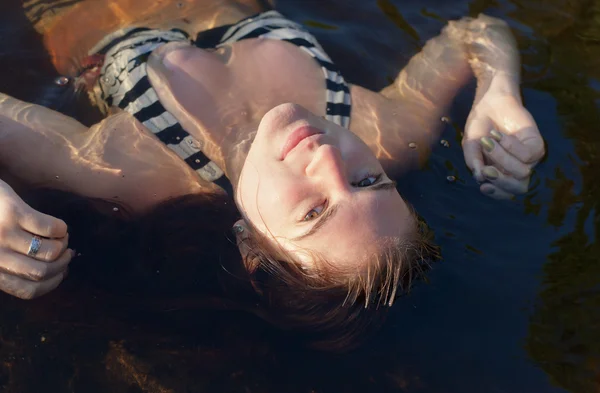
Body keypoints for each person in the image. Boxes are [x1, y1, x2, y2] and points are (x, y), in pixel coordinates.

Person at [0, 2, 545, 349]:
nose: (329, 161)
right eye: (367, 182)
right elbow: (474, 30)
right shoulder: (385, 130)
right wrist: (498, 90)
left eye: (313, 212)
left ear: (250, 246)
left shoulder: (123, 171)